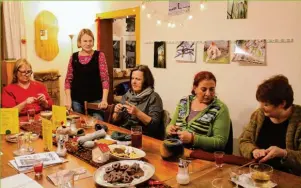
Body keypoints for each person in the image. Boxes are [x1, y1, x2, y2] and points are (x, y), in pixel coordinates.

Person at [239, 75, 301, 175]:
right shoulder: (258, 115)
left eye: (266, 104)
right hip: (257, 173)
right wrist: (254, 150)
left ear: (282, 103)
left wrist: (283, 153)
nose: (261, 107)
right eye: (261, 103)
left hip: (289, 178)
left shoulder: (298, 121)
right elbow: (244, 141)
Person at [166, 71, 230, 152]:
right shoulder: (184, 102)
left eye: (212, 89)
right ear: (195, 88)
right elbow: (171, 124)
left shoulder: (220, 108)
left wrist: (193, 139)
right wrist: (169, 129)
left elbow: (220, 142)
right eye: (204, 89)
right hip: (175, 150)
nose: (208, 94)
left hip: (199, 156)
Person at [64, 28, 109, 120]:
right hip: (76, 100)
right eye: (85, 41)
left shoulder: (99, 55)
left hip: (96, 100)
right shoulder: (74, 57)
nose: (88, 44)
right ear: (80, 42)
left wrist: (104, 99)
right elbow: (68, 80)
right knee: (79, 126)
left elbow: (105, 79)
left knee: (98, 123)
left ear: (93, 41)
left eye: (90, 41)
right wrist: (68, 99)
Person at [112, 65, 164, 140]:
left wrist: (137, 113)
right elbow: (115, 121)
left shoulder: (154, 97)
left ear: (146, 81)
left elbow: (154, 125)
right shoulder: (127, 95)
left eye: (138, 79)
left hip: (143, 137)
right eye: (132, 78)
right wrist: (116, 112)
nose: (134, 82)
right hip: (124, 134)